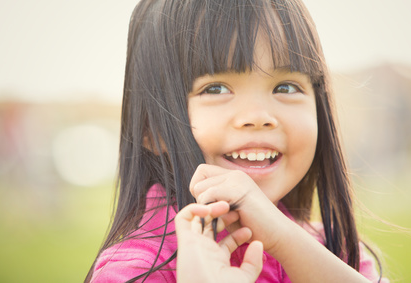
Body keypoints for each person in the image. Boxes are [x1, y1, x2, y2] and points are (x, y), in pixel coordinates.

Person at [86, 0, 389, 282]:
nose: (259, 116)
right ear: (152, 130)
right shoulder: (134, 271)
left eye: (285, 86)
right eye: (215, 89)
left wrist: (284, 240)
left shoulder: (335, 254)